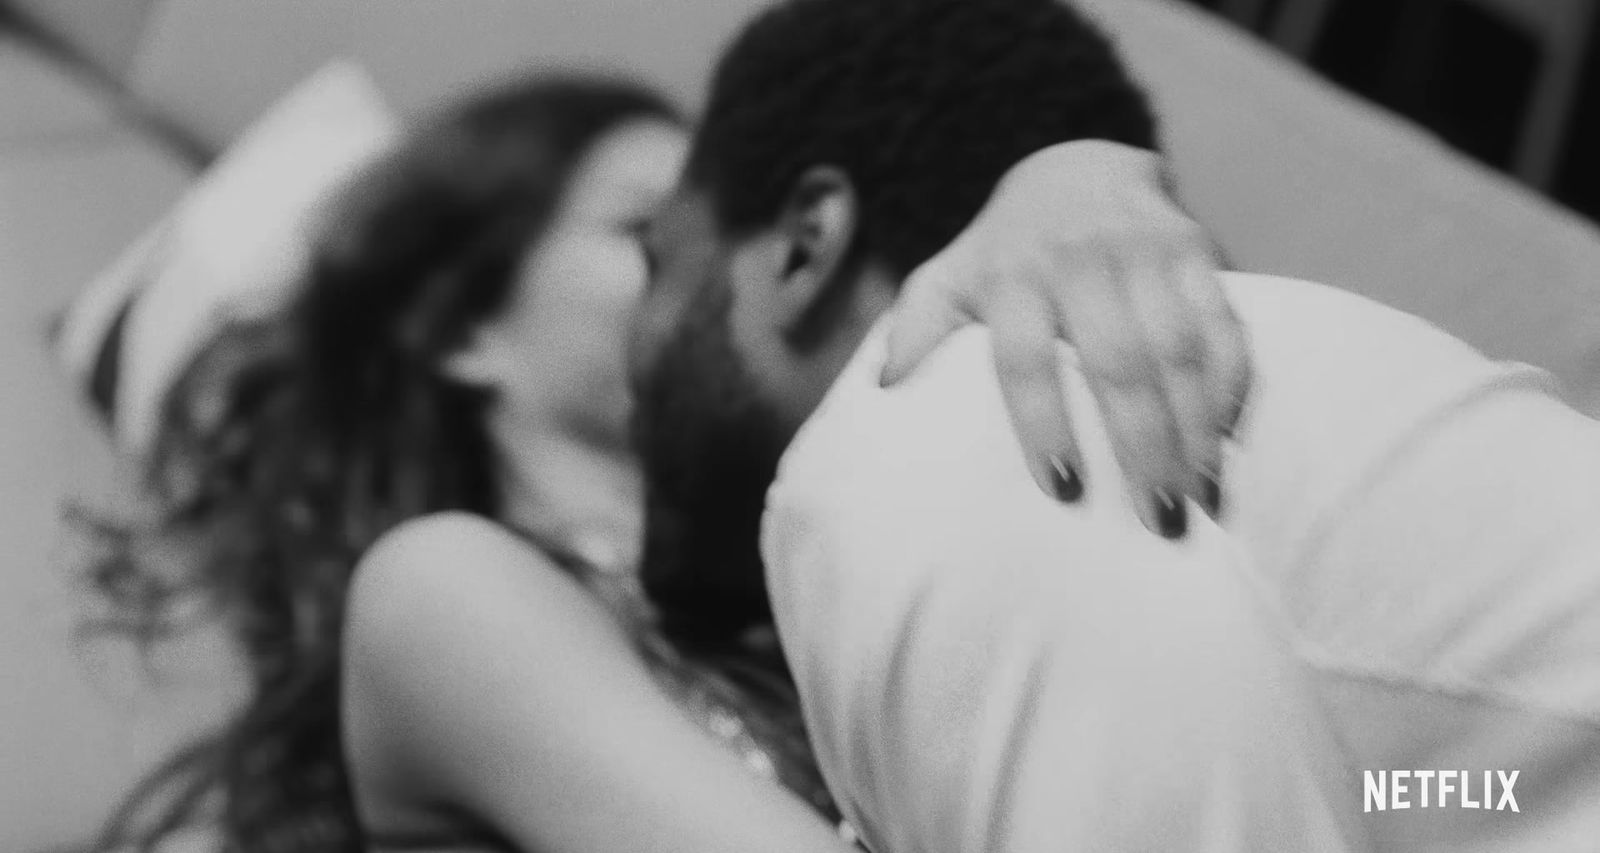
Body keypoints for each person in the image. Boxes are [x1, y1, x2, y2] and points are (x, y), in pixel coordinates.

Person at [77, 71, 1247, 853]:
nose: (732, 278)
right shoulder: (440, 595)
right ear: (459, 330)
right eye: (650, 236)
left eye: (759, 234)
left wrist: (1074, 185)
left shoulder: (827, 588)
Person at [629, 0, 1600, 851]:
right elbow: (1468, 781)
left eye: (655, 262)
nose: (631, 347)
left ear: (804, 243)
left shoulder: (948, 441)